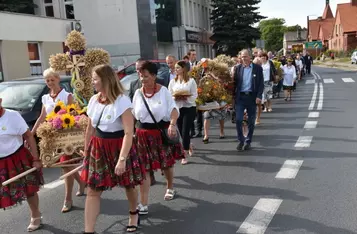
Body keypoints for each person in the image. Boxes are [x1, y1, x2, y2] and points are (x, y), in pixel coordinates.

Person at [81, 64, 145, 233]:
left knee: (128, 184)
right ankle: (89, 230)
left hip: (119, 147)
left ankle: (133, 213)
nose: (93, 82)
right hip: (98, 148)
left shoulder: (122, 100)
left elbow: (128, 132)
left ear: (105, 79)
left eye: (95, 79)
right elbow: (90, 128)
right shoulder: (94, 100)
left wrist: (122, 158)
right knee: (93, 190)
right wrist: (86, 150)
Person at [132, 61, 185, 215]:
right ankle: (144, 203)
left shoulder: (163, 92)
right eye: (141, 76)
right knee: (145, 169)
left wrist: (172, 124)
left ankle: (170, 187)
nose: (142, 79)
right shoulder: (137, 93)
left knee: (166, 164)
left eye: (146, 76)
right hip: (142, 135)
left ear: (154, 76)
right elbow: (134, 115)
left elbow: (173, 109)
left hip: (161, 132)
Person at [31, 68, 85, 213]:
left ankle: (68, 199)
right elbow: (42, 116)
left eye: (52, 80)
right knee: (66, 165)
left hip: (67, 137)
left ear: (58, 79)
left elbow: (74, 116)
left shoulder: (67, 96)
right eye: (47, 80)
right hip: (51, 137)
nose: (49, 83)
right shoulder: (45, 98)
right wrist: (32, 133)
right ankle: (82, 183)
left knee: (65, 164)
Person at [0, 97, 44, 232]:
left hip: (18, 158)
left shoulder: (13, 116)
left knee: (29, 189)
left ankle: (35, 215)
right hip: (1, 163)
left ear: (0, 100)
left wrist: (36, 159)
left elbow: (29, 136)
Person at [232, 49, 264, 151]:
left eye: (245, 56)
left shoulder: (257, 68)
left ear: (250, 57)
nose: (244, 59)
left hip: (252, 98)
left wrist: (259, 96)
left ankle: (248, 141)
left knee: (251, 121)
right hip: (240, 97)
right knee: (238, 120)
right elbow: (234, 84)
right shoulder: (238, 68)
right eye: (242, 57)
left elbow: (260, 84)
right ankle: (241, 140)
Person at [168, 60, 197, 164]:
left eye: (178, 68)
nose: (175, 69)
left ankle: (184, 155)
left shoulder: (191, 81)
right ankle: (188, 145)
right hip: (177, 109)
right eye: (175, 68)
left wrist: (186, 98)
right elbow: (169, 94)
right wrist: (175, 98)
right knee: (181, 131)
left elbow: (194, 95)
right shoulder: (173, 82)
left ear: (183, 69)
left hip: (189, 108)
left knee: (185, 131)